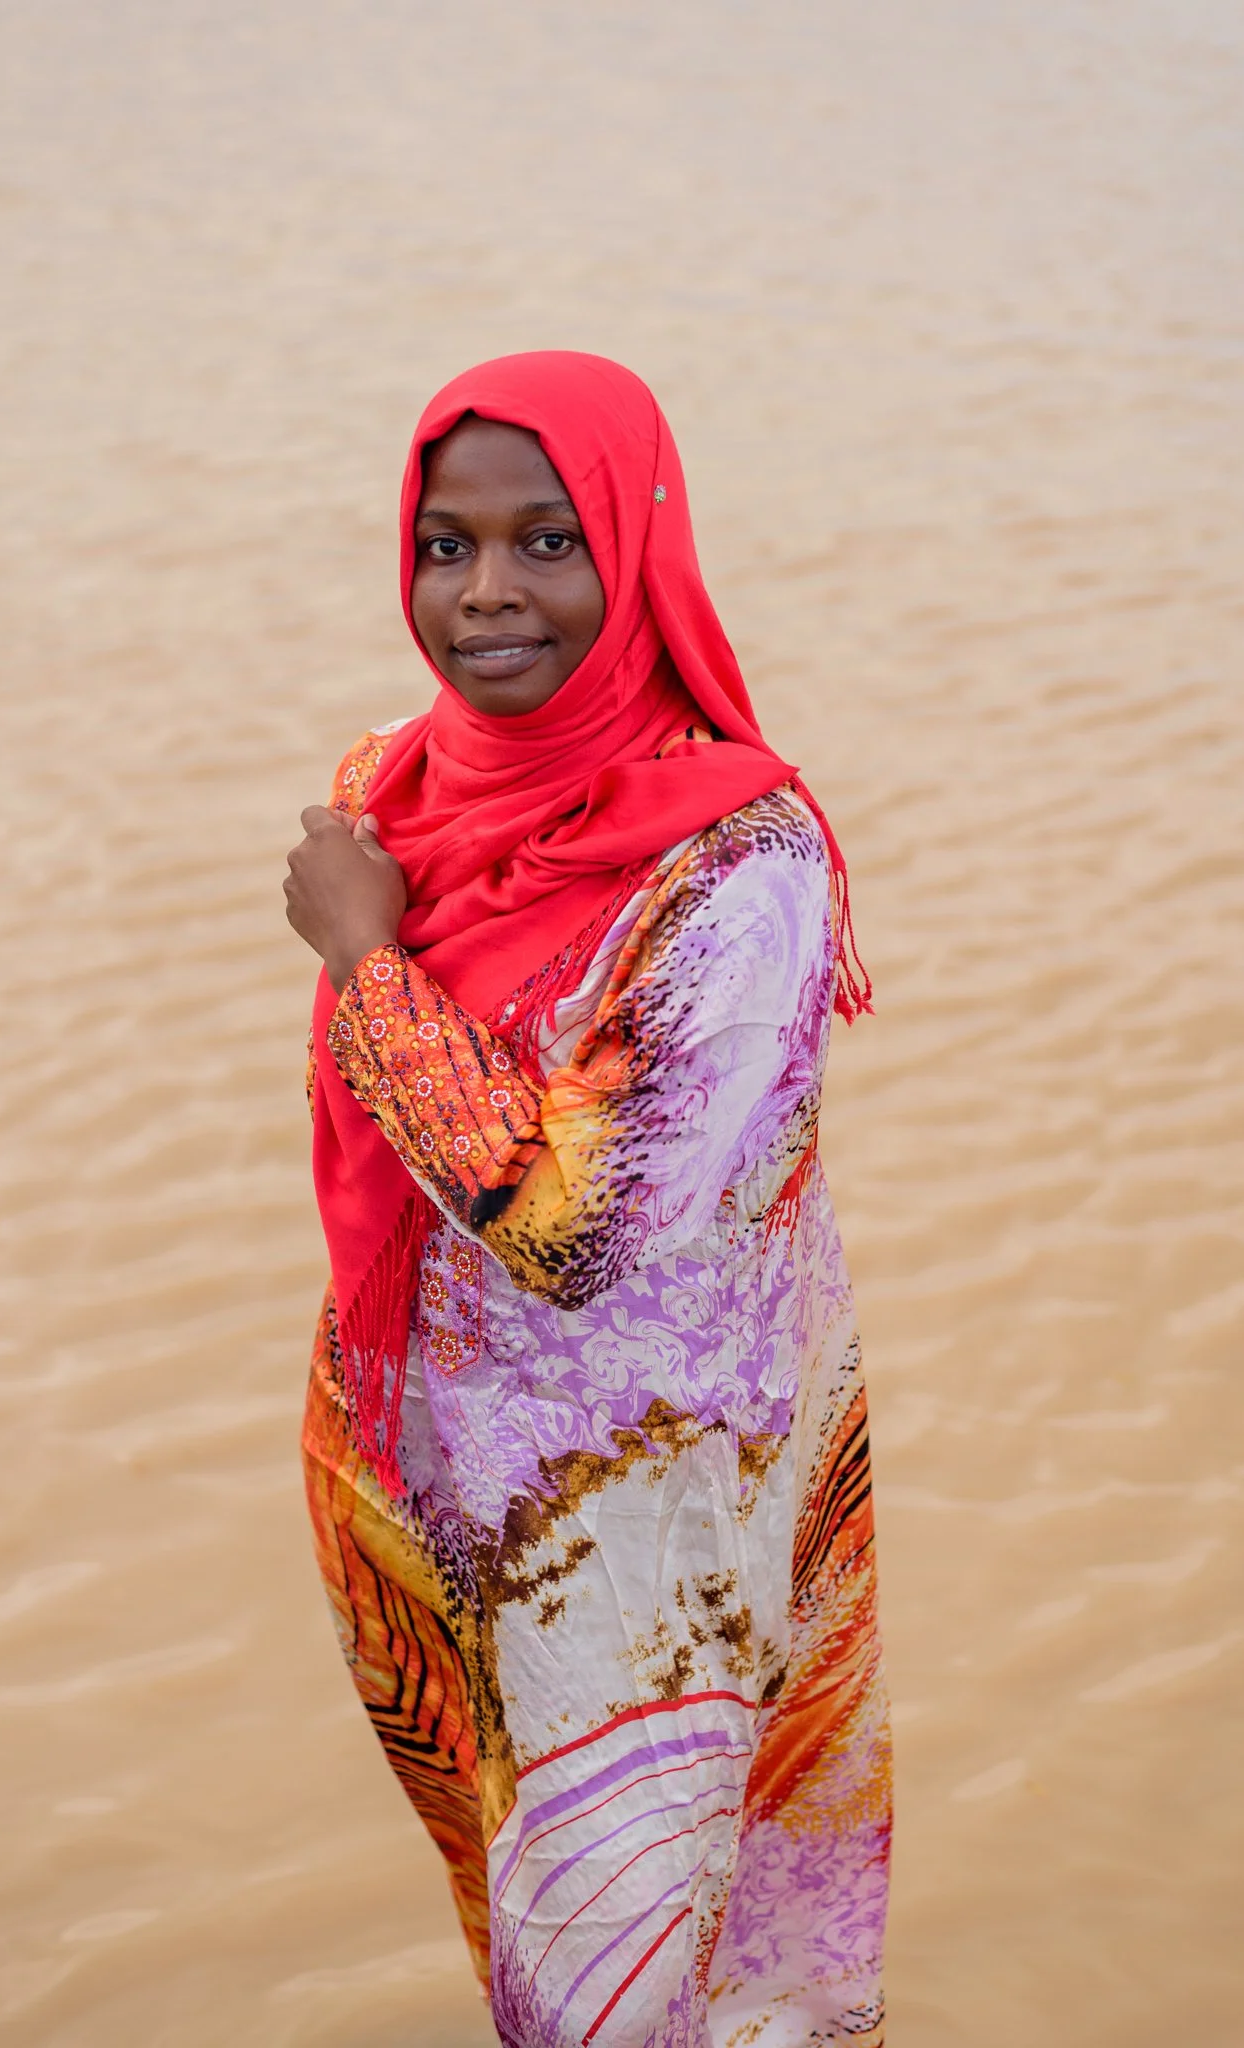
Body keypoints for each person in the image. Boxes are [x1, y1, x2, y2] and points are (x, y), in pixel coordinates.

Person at [282, 351, 890, 2048]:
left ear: (638, 551)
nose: (484, 594)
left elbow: (572, 1231)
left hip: (641, 1548)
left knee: (622, 1998)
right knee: (529, 1974)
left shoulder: (739, 869)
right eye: (445, 542)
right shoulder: (389, 790)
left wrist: (370, 960)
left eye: (548, 541)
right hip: (421, 1505)